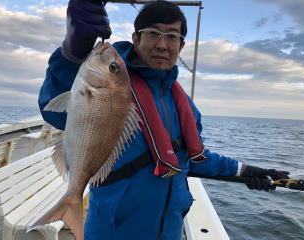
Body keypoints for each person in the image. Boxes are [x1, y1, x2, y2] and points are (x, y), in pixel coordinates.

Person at [38, 0, 290, 239]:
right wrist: (72, 53)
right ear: (136, 38)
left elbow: (192, 156)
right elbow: (55, 113)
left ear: (180, 47)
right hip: (112, 231)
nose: (162, 44)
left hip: (168, 230)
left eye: (172, 36)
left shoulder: (185, 106)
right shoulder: (112, 86)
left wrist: (244, 171)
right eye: (153, 33)